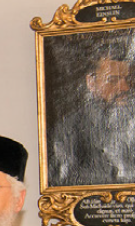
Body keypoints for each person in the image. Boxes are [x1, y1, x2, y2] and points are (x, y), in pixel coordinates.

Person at [49, 50, 135, 187]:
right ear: (91, 82)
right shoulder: (70, 127)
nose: (125, 88)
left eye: (128, 79)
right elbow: (62, 178)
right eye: (113, 80)